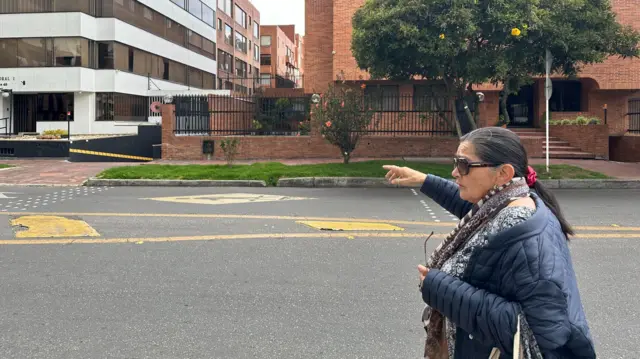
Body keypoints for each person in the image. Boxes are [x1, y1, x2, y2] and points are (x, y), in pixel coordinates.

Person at [383, 127, 596, 359]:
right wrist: (424, 180)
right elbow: (473, 210)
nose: (455, 172)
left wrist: (441, 289)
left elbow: (538, 334)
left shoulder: (524, 235)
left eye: (463, 165)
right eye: (455, 162)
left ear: (503, 173)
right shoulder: (507, 201)